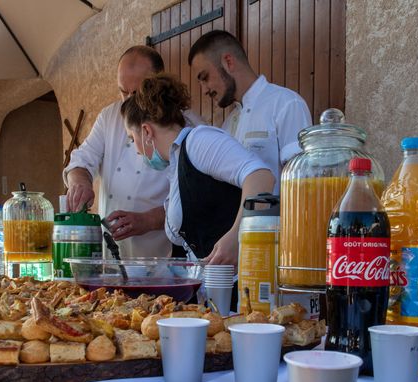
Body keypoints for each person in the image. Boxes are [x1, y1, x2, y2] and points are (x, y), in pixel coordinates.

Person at [120, 74, 274, 266]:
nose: (136, 149)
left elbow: (260, 176)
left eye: (132, 139)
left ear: (146, 131)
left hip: (238, 284)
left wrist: (237, 235)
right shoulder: (177, 163)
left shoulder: (198, 141)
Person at [64, 46, 201, 258]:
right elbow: (81, 161)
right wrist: (80, 183)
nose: (128, 101)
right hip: (112, 254)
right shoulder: (109, 116)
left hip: (164, 255)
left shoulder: (189, 127)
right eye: (122, 91)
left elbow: (195, 200)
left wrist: (148, 220)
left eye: (136, 92)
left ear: (157, 84)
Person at [188, 30, 312, 195]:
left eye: (205, 78)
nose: (204, 90)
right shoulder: (227, 125)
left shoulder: (286, 104)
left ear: (228, 62)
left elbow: (301, 181)